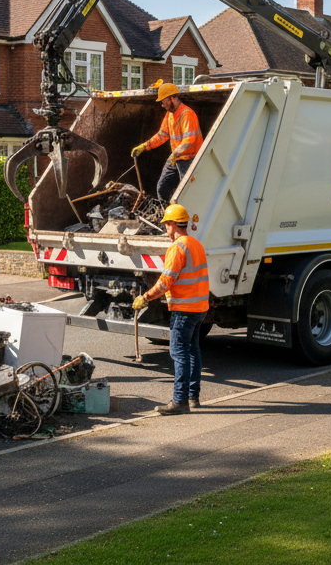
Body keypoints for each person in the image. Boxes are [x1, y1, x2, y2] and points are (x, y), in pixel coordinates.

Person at [133, 203, 209, 415]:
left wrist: (145, 297)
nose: (166, 228)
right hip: (199, 308)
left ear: (173, 225)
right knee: (193, 351)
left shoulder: (177, 248)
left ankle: (179, 401)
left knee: (179, 353)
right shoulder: (196, 244)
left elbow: (166, 282)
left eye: (166, 224)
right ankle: (193, 397)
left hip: (184, 310)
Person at [132, 81, 202, 202]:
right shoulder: (170, 115)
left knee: (187, 193)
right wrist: (144, 147)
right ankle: (166, 215)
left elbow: (189, 141)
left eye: (164, 101)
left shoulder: (187, 114)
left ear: (173, 98)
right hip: (176, 158)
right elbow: (161, 135)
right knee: (162, 188)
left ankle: (183, 218)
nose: (163, 105)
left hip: (190, 160)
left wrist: (175, 155)